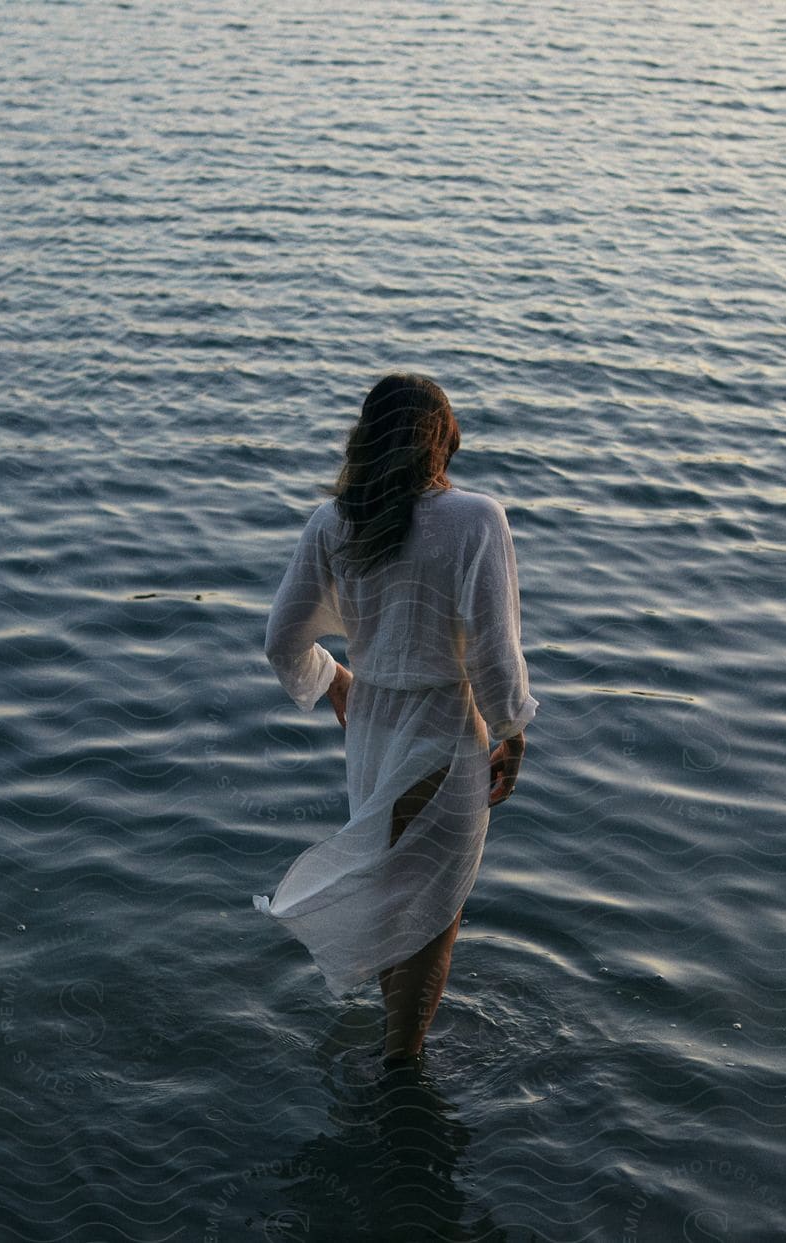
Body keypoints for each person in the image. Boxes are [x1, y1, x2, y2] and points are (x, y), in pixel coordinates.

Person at [255, 372, 539, 1068]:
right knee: (432, 914)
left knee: (397, 898)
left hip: (374, 733)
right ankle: (403, 1066)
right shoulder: (477, 518)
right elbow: (496, 651)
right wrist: (513, 730)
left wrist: (338, 680)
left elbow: (281, 641)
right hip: (446, 731)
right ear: (441, 441)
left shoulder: (332, 522)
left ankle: (396, 1049)